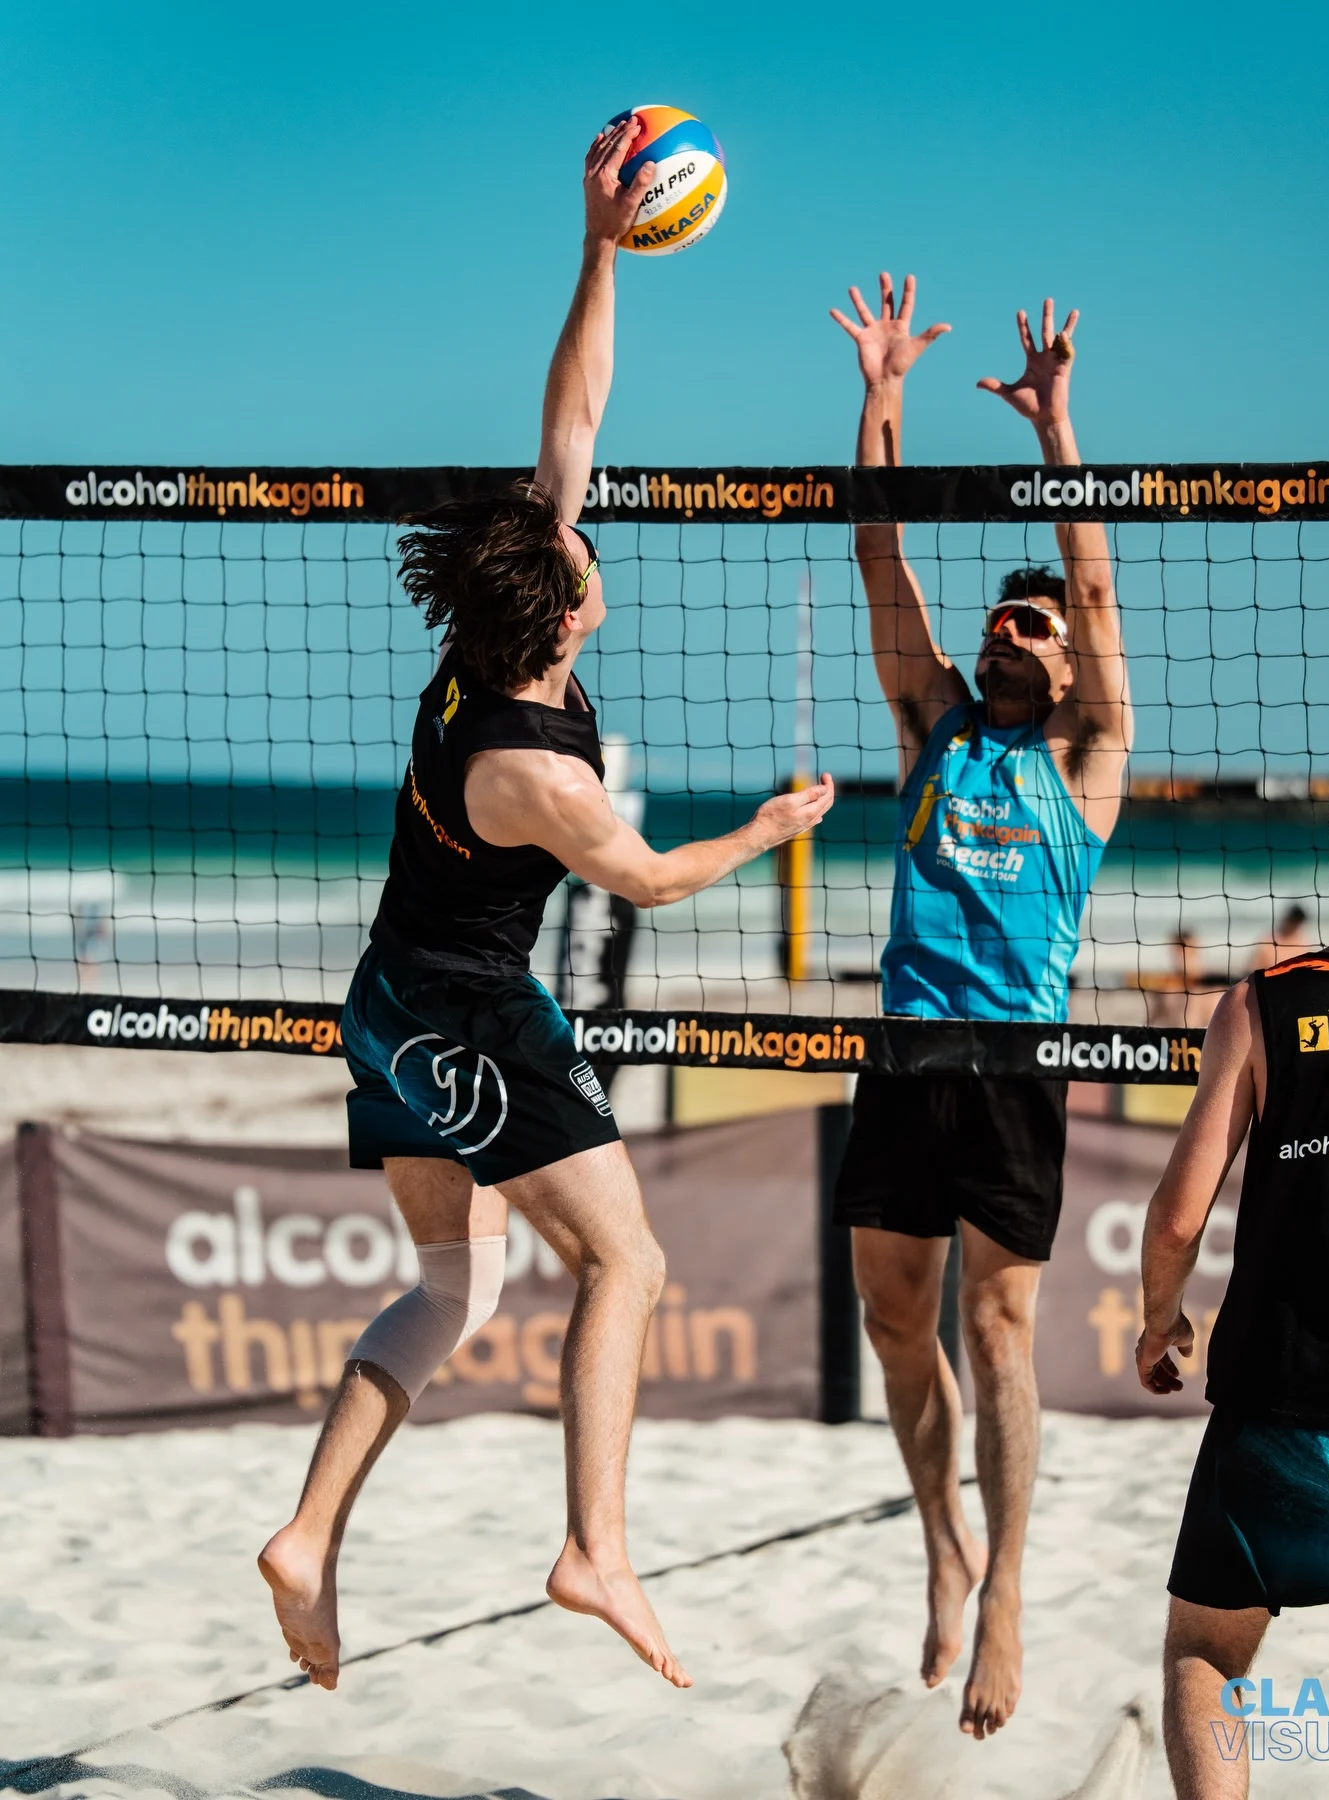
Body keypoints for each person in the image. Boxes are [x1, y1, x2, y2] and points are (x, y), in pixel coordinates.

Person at [258, 117, 833, 1694]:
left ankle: (310, 1537)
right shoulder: (534, 770)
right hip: (460, 1004)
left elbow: (576, 404)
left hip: (384, 997)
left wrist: (597, 241)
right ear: (563, 607)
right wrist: (770, 827)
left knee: (455, 1283)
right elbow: (643, 878)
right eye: (575, 550)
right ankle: (597, 1547)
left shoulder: (492, 651)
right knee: (626, 1266)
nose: (584, 542)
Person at [827, 274, 1132, 1737]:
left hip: (1013, 1060)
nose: (1013, 630)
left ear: (1066, 662)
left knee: (1000, 1327)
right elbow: (879, 552)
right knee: (896, 1324)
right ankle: (941, 1542)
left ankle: (1005, 1581)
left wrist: (1057, 423)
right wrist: (881, 396)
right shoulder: (933, 725)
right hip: (903, 1048)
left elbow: (1097, 584)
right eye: (1001, 619)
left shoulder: (1090, 760)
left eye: (1035, 622)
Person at [1137, 753, 1329, 1800]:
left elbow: (1177, 1216)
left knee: (1205, 1659)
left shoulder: (1264, 1002)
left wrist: (1157, 1319)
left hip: (1280, 1397)